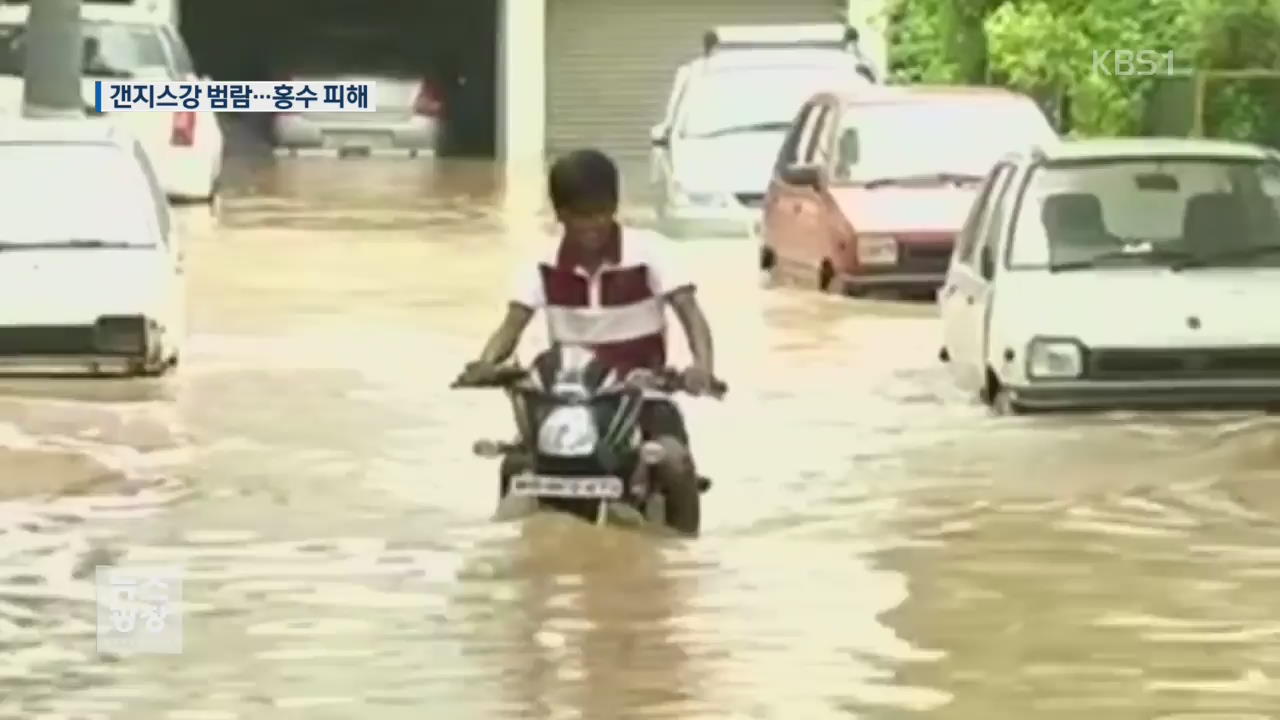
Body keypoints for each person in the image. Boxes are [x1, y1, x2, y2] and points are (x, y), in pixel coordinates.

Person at [457, 148, 717, 530]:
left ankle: (682, 562)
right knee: (516, 463)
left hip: (641, 396)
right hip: (566, 399)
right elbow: (511, 326)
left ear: (615, 207)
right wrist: (486, 364)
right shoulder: (540, 264)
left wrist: (702, 369)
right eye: (580, 216)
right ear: (560, 213)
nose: (592, 225)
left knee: (675, 462)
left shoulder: (651, 252)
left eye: (600, 212)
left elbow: (691, 315)